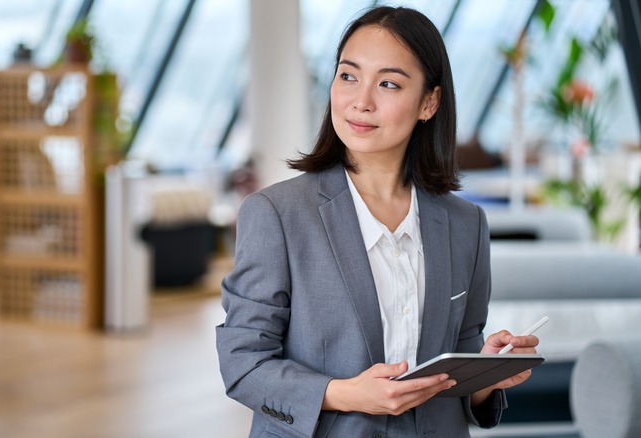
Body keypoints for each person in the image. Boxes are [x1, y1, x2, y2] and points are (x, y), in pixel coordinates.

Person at [216, 5, 539, 437]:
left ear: (429, 102)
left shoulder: (466, 224)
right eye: (348, 76)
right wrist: (347, 394)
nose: (360, 101)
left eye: (387, 83)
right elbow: (243, 364)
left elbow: (461, 351)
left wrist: (486, 375)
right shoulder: (277, 215)